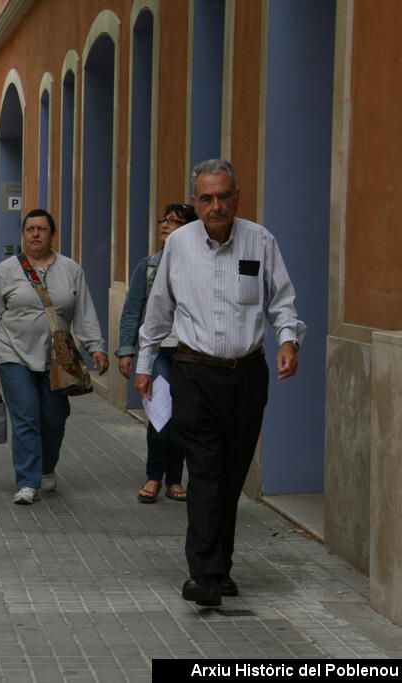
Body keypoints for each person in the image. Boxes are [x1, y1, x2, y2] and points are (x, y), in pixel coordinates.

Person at [135, 159, 306, 607]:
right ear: (195, 201)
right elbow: (159, 309)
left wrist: (289, 341)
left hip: (247, 375)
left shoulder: (260, 241)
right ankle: (205, 574)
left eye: (223, 196)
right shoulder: (179, 245)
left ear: (237, 196)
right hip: (193, 371)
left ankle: (221, 567)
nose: (216, 206)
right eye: (206, 198)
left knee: (230, 475)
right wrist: (144, 362)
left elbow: (283, 300)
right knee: (206, 471)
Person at [0, 209, 109, 505]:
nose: (35, 234)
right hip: (14, 354)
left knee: (54, 417)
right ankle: (27, 481)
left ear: (52, 234)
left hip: (57, 360)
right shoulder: (7, 270)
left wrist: (96, 346)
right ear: (23, 234)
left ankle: (47, 466)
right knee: (26, 417)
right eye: (30, 229)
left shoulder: (71, 269)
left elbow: (84, 312)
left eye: (41, 229)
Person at [116, 202, 198, 504]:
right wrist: (126, 351)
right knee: (161, 417)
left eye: (175, 221)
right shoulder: (149, 267)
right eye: (164, 220)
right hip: (159, 352)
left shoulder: (199, 265)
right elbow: (131, 312)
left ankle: (175, 480)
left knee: (181, 419)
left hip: (191, 353)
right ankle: (154, 476)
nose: (166, 226)